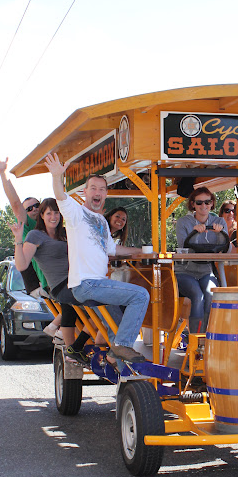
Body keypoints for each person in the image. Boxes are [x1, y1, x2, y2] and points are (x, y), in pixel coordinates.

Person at [45, 153, 150, 364]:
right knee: (141, 295)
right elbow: (60, 195)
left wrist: (143, 250)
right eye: (93, 188)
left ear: (105, 195)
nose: (97, 192)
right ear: (85, 192)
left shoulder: (101, 220)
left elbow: (113, 249)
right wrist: (57, 176)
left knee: (118, 325)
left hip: (100, 284)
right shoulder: (75, 213)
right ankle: (122, 347)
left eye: (102, 189)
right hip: (87, 284)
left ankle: (120, 368)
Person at [10, 198, 94, 364]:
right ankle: (74, 345)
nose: (53, 216)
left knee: (94, 308)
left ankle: (74, 343)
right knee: (99, 304)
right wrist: (18, 238)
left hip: (76, 280)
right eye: (49, 213)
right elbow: (21, 264)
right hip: (58, 284)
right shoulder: (35, 234)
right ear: (42, 215)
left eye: (56, 212)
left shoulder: (65, 233)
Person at [0, 151, 61, 336]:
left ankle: (66, 343)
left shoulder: (56, 225)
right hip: (52, 282)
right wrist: (3, 174)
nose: (35, 209)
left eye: (38, 205)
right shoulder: (30, 228)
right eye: (29, 208)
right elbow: (14, 202)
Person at [175, 187, 228, 334]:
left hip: (206, 270)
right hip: (185, 271)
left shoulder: (219, 221)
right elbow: (183, 248)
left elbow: (226, 249)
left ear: (212, 204)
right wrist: (197, 234)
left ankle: (209, 336)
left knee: (211, 294)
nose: (203, 206)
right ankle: (195, 339)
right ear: (193, 204)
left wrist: (219, 234)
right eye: (199, 203)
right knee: (197, 295)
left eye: (207, 202)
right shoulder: (183, 222)